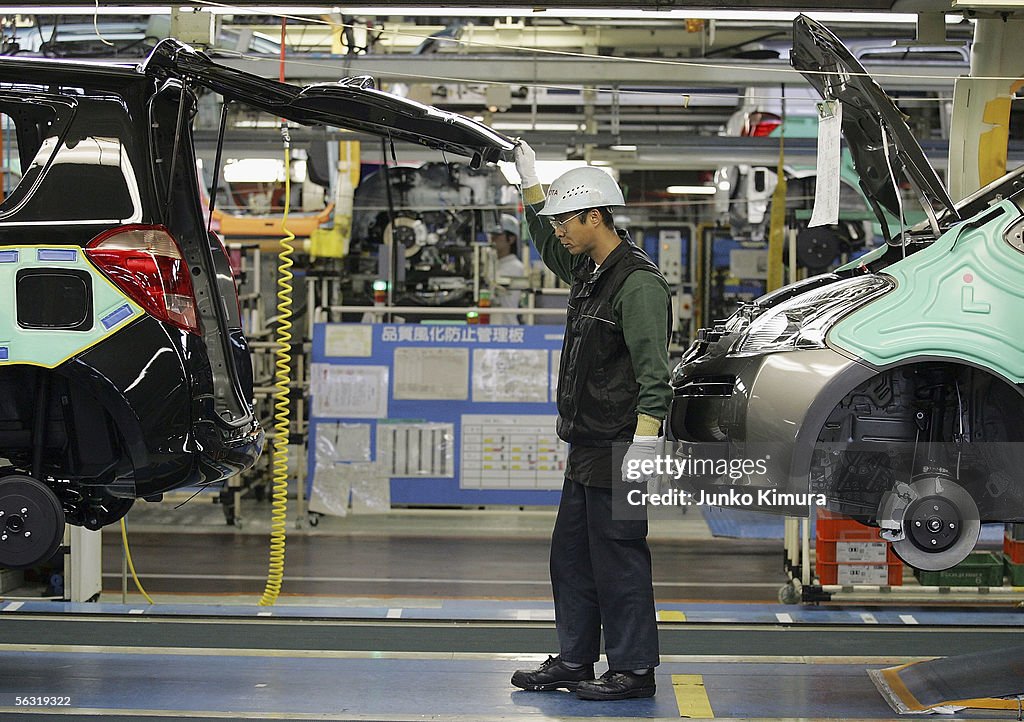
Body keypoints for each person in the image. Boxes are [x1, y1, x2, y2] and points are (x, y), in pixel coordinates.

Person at [509, 140, 672, 701]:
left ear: (595, 216)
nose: (558, 231)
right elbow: (545, 246)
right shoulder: (590, 271)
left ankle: (634, 669)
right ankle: (577, 659)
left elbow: (656, 372)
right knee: (572, 558)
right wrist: (530, 185)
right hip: (586, 445)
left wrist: (647, 440)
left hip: (623, 446)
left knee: (620, 558)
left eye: (565, 222)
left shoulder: (638, 283)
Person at [488, 213, 526, 324]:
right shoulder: (492, 263)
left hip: (506, 325)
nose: (492, 239)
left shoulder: (515, 267)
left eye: (497, 235)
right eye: (491, 234)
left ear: (511, 239)